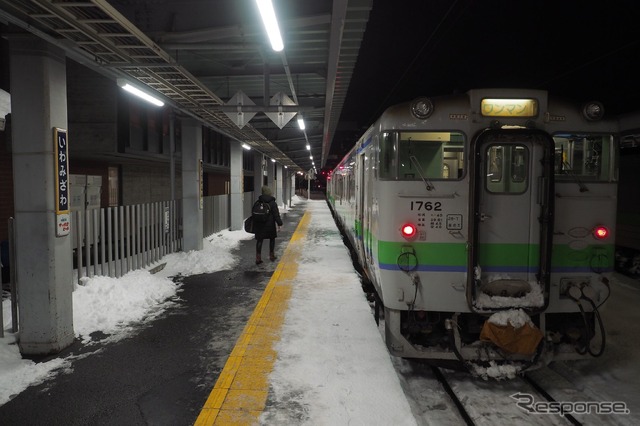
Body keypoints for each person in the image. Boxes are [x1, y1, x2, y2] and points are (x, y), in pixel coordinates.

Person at [253, 185, 283, 264]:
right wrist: (280, 223)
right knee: (272, 239)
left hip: (260, 225)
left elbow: (254, 213)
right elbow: (276, 214)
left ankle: (258, 258)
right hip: (270, 226)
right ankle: (271, 255)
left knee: (259, 240)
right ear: (269, 193)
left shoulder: (258, 202)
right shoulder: (272, 203)